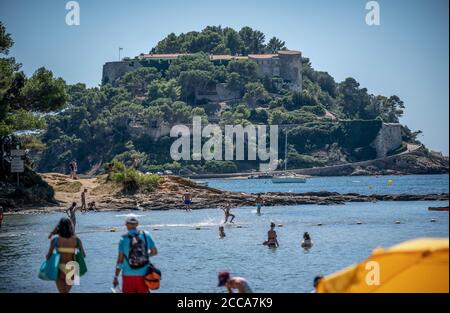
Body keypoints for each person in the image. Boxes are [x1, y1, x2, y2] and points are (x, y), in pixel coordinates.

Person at [113, 216, 158, 293]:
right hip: (144, 275)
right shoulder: (146, 235)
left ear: (126, 225)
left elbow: (120, 261)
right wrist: (143, 255)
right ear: (137, 224)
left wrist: (116, 276)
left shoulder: (123, 239)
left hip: (128, 275)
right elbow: (154, 252)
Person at [46, 217, 86, 293]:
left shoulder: (55, 240)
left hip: (59, 267)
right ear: (70, 227)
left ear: (59, 227)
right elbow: (83, 255)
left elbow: (48, 257)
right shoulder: (77, 240)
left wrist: (52, 233)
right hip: (72, 267)